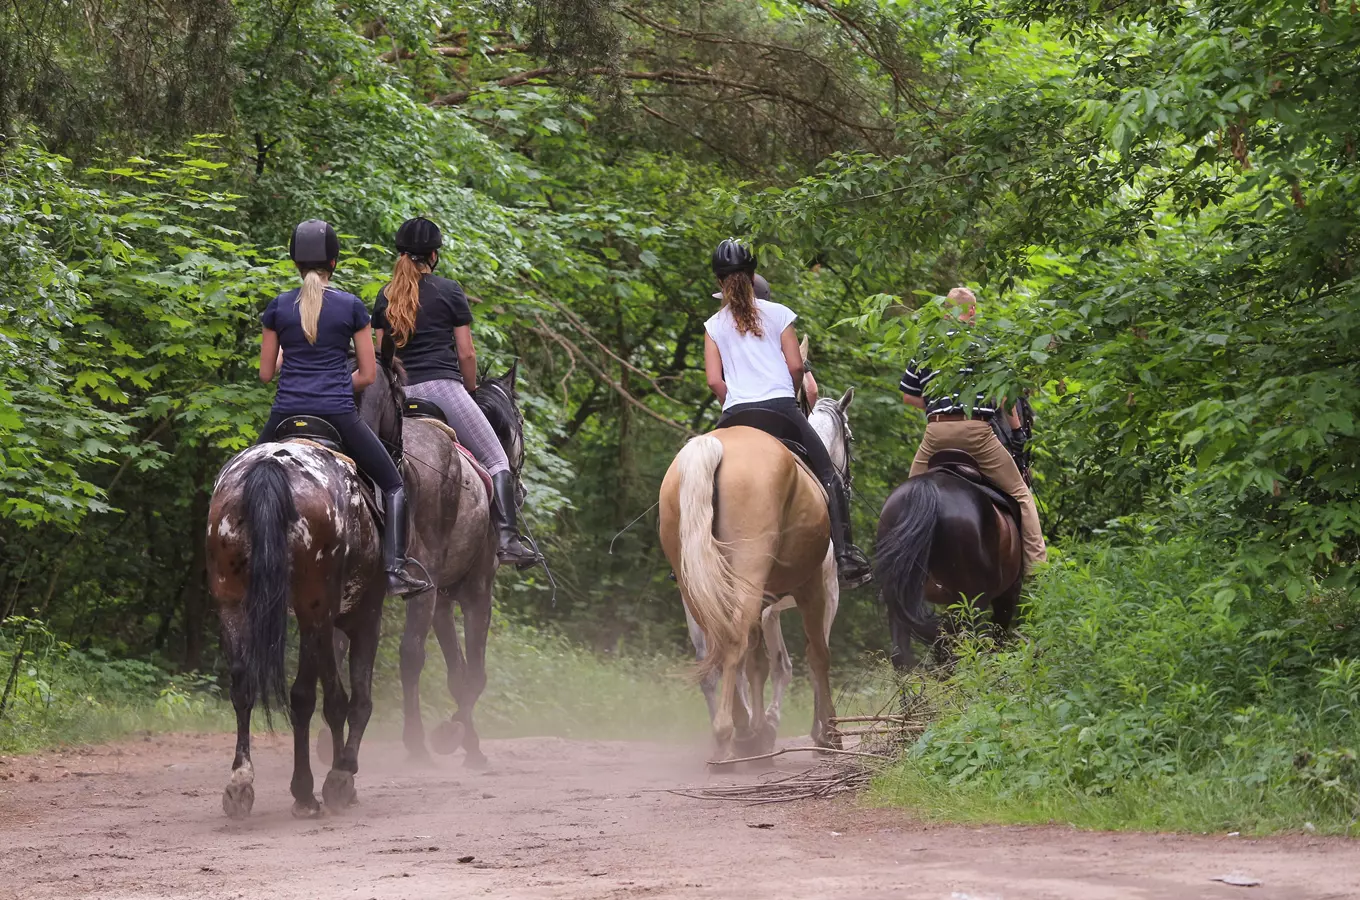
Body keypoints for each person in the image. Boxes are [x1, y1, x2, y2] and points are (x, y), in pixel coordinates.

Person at [257, 219, 430, 596]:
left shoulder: (277, 308)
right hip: (337, 414)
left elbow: (266, 374)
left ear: (294, 263)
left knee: (241, 476)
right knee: (394, 484)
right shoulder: (351, 306)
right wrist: (333, 383)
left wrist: (293, 358)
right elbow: (368, 375)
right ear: (334, 263)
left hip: (284, 413)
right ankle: (395, 570)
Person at [371, 216, 539, 569]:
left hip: (398, 395)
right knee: (496, 459)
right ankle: (508, 540)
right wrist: (471, 388)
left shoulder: (385, 296)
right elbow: (466, 353)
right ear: (433, 255)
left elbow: (382, 356)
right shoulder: (449, 291)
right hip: (442, 388)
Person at [704, 239, 872, 588]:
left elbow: (713, 381)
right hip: (781, 410)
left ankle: (688, 556)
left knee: (703, 474)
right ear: (752, 276)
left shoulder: (713, 325)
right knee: (829, 473)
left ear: (720, 282)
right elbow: (796, 366)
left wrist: (732, 401)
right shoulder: (779, 313)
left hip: (735, 413)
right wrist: (787, 391)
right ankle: (845, 556)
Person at [899, 286, 1048, 567]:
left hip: (936, 434)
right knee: (1021, 494)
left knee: (908, 496)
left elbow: (908, 395)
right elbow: (1006, 398)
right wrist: (1016, 433)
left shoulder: (928, 346)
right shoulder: (986, 345)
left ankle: (900, 567)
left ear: (946, 312)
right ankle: (1038, 571)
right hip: (977, 434)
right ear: (972, 311)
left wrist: (935, 407)